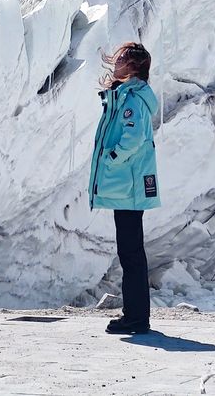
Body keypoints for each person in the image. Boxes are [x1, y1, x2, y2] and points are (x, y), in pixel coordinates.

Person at [88, 41, 160, 334]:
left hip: (129, 185)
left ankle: (136, 318)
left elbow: (135, 137)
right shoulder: (129, 96)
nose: (115, 65)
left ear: (133, 66)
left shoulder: (131, 101)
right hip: (128, 185)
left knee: (131, 254)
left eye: (120, 60)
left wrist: (112, 156)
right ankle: (134, 315)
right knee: (131, 253)